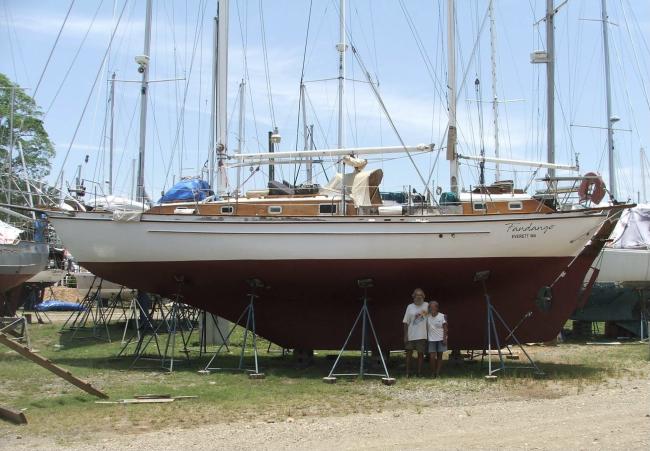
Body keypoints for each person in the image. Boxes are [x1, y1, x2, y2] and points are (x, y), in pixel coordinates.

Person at [402, 288, 428, 377]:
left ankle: (419, 373)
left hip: (422, 335)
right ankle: (407, 372)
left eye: (421, 295)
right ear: (413, 296)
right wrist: (405, 335)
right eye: (417, 295)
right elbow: (405, 322)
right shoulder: (410, 306)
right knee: (409, 355)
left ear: (423, 296)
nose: (419, 297)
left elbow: (432, 319)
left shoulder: (427, 305)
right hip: (411, 335)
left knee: (421, 355)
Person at [427, 301, 448, 378]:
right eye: (430, 307)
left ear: (437, 308)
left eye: (434, 307)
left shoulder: (442, 316)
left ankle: (437, 373)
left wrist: (444, 338)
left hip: (440, 339)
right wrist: (425, 310)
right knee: (432, 357)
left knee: (439, 356)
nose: (432, 309)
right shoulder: (427, 315)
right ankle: (432, 373)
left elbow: (445, 328)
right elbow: (417, 317)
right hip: (431, 340)